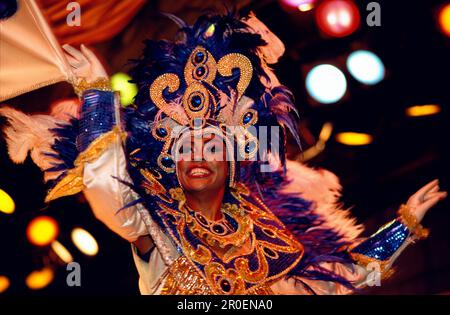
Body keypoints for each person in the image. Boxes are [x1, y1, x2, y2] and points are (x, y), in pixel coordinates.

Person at [0, 12, 446, 295]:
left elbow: (343, 275)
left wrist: (403, 225)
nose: (197, 155)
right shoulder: (157, 227)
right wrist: (97, 94)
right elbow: (106, 186)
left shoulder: (267, 234)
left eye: (210, 145)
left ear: (229, 161)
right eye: (184, 146)